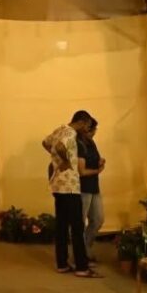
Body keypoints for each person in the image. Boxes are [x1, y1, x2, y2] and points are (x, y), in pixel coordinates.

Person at [42, 110, 97, 277]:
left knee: (61, 226)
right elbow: (60, 146)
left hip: (57, 184)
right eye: (87, 126)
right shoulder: (71, 133)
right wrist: (65, 160)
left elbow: (45, 142)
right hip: (70, 186)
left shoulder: (60, 129)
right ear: (81, 122)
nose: (87, 129)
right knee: (77, 227)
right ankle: (82, 267)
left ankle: (62, 264)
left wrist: (55, 159)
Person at [78, 118, 106, 261]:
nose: (94, 133)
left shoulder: (91, 143)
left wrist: (99, 161)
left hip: (94, 186)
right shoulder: (79, 144)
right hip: (83, 188)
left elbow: (95, 158)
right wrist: (97, 170)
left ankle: (86, 247)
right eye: (93, 130)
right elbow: (81, 171)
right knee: (80, 222)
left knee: (98, 219)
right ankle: (80, 254)